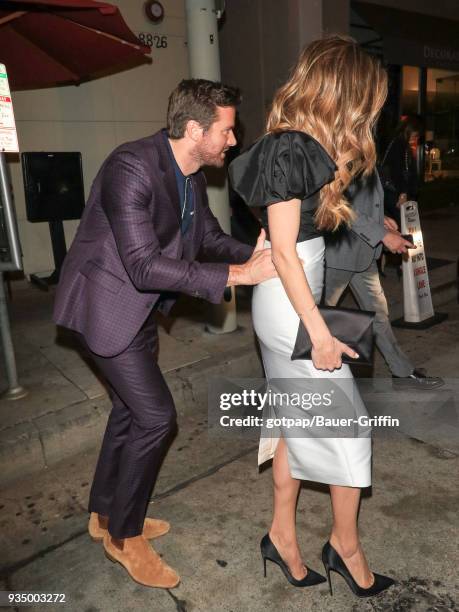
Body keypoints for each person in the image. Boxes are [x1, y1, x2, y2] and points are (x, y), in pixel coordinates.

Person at [53, 79, 277, 589]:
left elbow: (209, 238)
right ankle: (124, 538)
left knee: (130, 412)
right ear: (196, 129)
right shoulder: (130, 167)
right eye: (227, 129)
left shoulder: (192, 174)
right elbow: (141, 264)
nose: (234, 139)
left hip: (140, 311)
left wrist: (256, 256)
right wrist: (237, 279)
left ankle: (104, 514)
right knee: (156, 417)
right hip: (104, 307)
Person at [229, 36, 395, 598]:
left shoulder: (300, 146)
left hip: (293, 292)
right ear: (344, 94)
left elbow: (278, 231)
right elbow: (282, 251)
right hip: (291, 303)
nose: (372, 111)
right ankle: (345, 549)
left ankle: (281, 536)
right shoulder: (290, 149)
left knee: (290, 422)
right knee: (349, 430)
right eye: (367, 99)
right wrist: (320, 334)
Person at [324, 169, 444, 390]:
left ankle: (401, 371)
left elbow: (361, 199)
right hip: (339, 255)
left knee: (379, 316)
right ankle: (300, 381)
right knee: (318, 319)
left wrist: (381, 219)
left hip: (364, 253)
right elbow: (337, 202)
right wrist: (381, 234)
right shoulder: (341, 146)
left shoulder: (362, 146)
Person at [379, 115, 422, 227]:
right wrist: (402, 193)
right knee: (408, 227)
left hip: (395, 192)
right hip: (396, 193)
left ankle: (407, 244)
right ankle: (409, 245)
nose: (416, 138)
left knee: (403, 227)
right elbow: (397, 170)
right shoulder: (399, 144)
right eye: (415, 134)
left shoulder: (400, 144)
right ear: (409, 130)